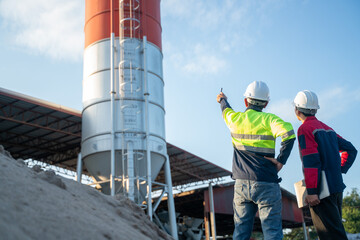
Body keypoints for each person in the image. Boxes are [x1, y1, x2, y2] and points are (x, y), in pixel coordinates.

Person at [217, 81, 296, 240]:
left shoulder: (235, 120)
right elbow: (289, 134)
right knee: (272, 232)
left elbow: (226, 110)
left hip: (241, 184)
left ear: (246, 101)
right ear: (266, 103)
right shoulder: (270, 120)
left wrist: (222, 99)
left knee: (240, 232)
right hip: (266, 181)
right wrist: (281, 160)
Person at [293, 90, 357, 240]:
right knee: (336, 231)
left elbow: (311, 161)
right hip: (336, 188)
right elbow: (351, 149)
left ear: (297, 110)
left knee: (330, 235)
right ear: (315, 109)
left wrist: (312, 191)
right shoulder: (328, 129)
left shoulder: (305, 129)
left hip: (322, 191)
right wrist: (339, 169)